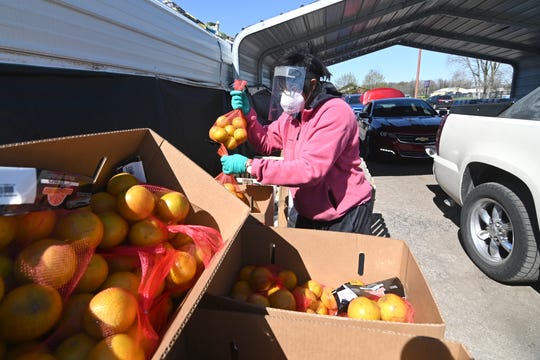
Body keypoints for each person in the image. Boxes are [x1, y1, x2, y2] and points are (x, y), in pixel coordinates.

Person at [221, 50, 374, 234]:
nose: (286, 94)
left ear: (312, 84)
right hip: (307, 209)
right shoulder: (292, 116)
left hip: (342, 212)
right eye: (283, 88)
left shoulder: (334, 112)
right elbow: (267, 142)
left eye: (292, 88)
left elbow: (310, 169)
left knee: (336, 262)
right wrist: (248, 114)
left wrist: (249, 166)